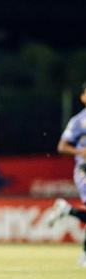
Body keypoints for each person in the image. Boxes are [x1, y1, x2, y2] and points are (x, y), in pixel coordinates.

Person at [48, 82, 86, 266]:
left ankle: (66, 210)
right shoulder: (79, 121)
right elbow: (62, 146)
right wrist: (80, 152)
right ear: (83, 97)